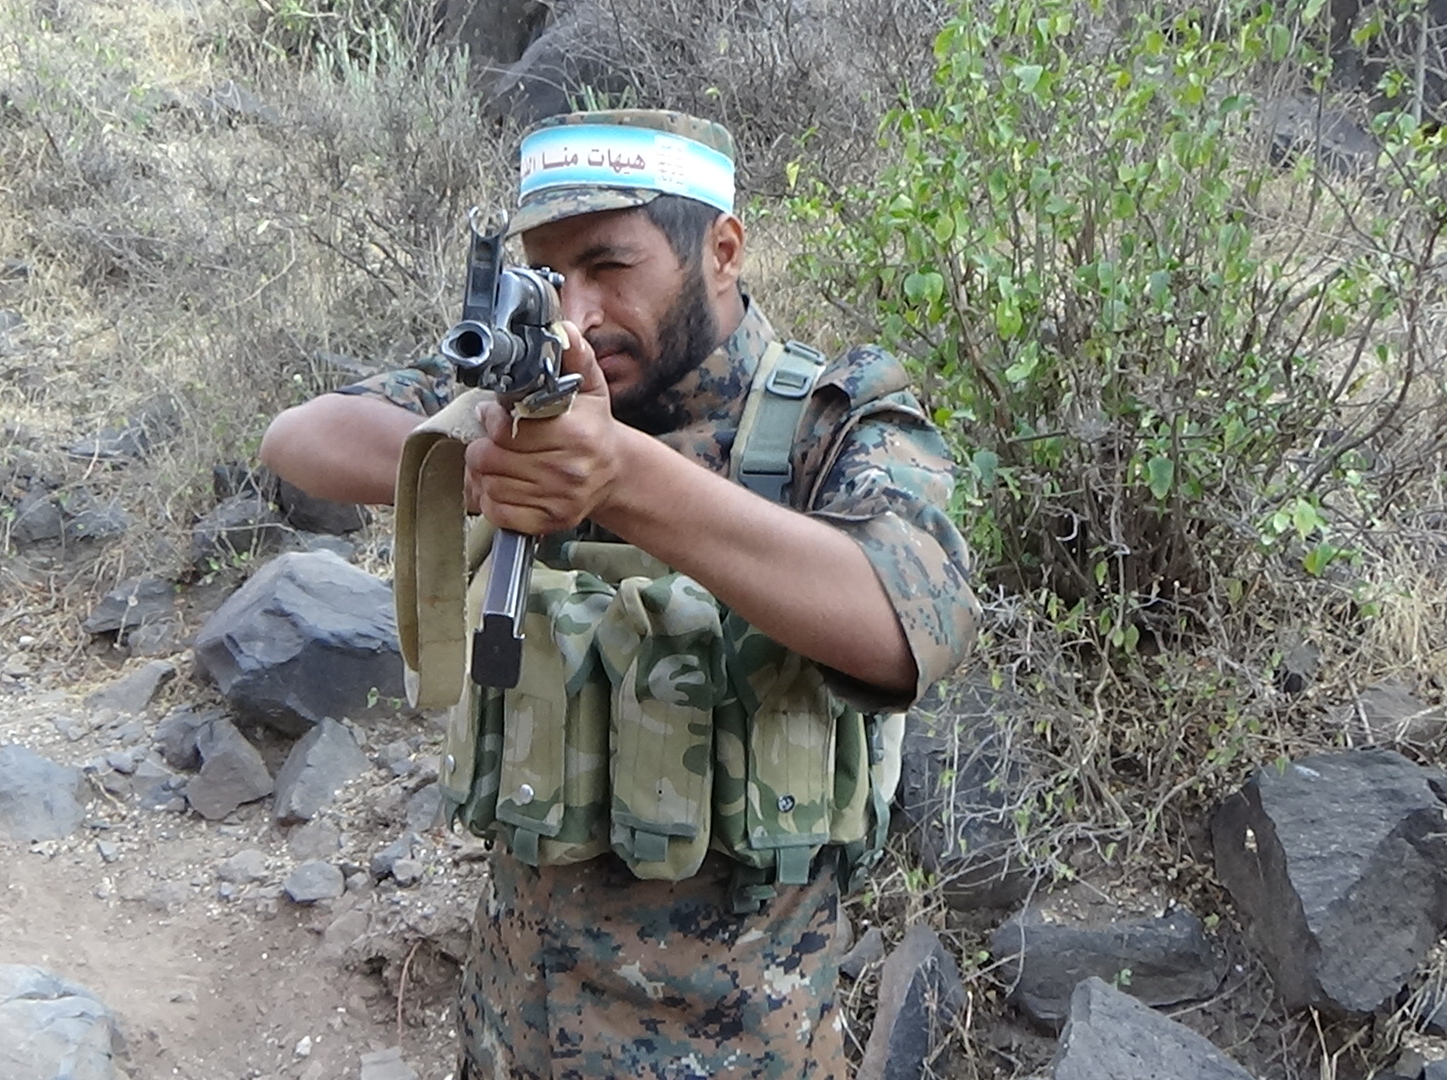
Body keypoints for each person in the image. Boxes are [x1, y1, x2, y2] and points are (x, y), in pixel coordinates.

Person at [261, 109, 977, 1080]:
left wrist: (620, 480)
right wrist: (483, 467)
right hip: (512, 1033)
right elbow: (300, 440)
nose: (580, 313)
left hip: (735, 1049)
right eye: (551, 277)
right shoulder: (526, 392)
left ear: (723, 249)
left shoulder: (832, 417)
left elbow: (910, 623)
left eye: (610, 266)